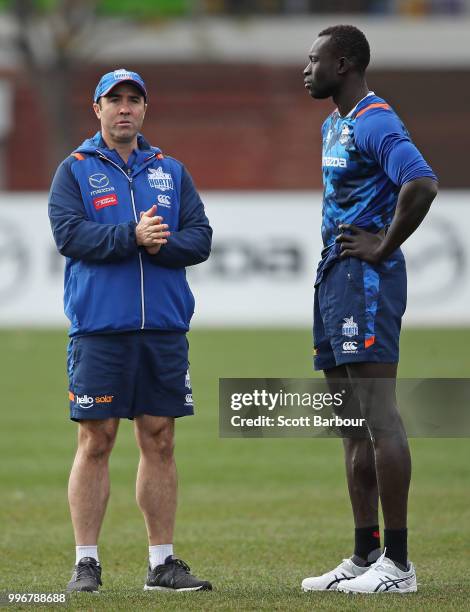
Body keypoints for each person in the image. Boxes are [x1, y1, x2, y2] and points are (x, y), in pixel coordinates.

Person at [48, 69, 213, 594]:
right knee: (96, 439)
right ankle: (86, 564)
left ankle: (162, 564)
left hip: (163, 329)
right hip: (100, 329)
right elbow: (69, 235)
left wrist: (162, 245)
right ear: (96, 109)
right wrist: (132, 236)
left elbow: (201, 238)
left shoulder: (171, 170)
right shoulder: (73, 170)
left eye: (133, 100)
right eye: (114, 99)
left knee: (160, 440)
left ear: (145, 110)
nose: (124, 108)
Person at [301, 26, 438, 593]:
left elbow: (422, 183)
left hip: (368, 282)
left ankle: (400, 566)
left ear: (345, 63)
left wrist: (384, 245)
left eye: (314, 59)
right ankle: (365, 556)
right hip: (335, 278)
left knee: (380, 419)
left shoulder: (375, 118)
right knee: (351, 426)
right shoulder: (335, 123)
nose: (305, 68)